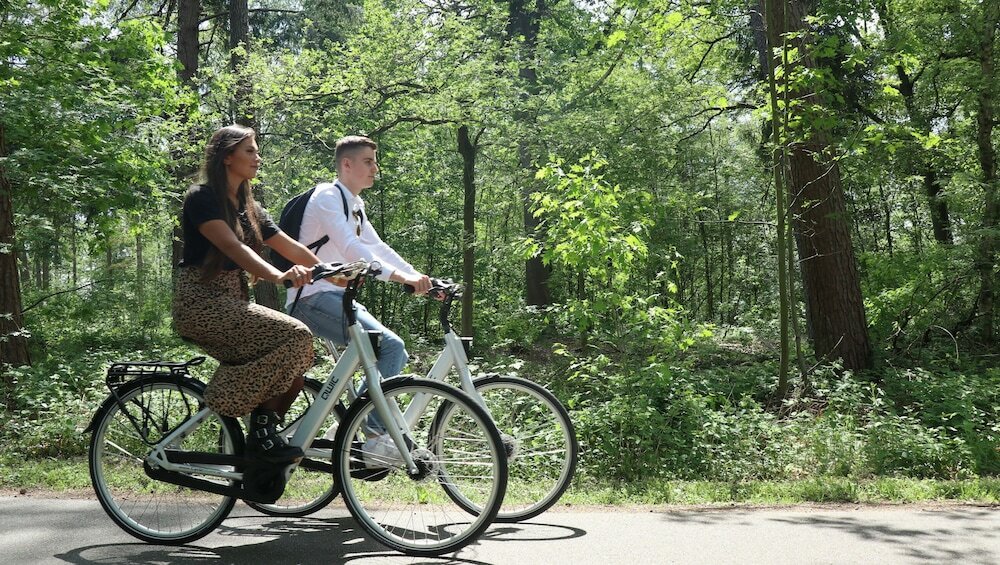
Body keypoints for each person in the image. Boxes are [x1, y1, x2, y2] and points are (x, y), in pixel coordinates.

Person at [172, 124, 324, 463]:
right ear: (228, 158)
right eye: (250, 151)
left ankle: (261, 440)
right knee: (296, 335)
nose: (258, 157)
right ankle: (235, 410)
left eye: (256, 150)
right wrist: (277, 275)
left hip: (233, 300)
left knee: (294, 374)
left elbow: (288, 244)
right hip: (201, 303)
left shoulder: (249, 207)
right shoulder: (202, 198)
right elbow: (231, 246)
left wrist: (330, 272)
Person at [287, 135, 432, 464]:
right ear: (346, 164)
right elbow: (354, 251)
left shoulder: (354, 204)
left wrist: (421, 277)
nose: (375, 168)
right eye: (369, 161)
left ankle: (350, 429)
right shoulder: (327, 196)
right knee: (390, 346)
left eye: (375, 161)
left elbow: (378, 248)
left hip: (338, 299)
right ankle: (375, 436)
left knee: (384, 352)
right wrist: (402, 278)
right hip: (311, 299)